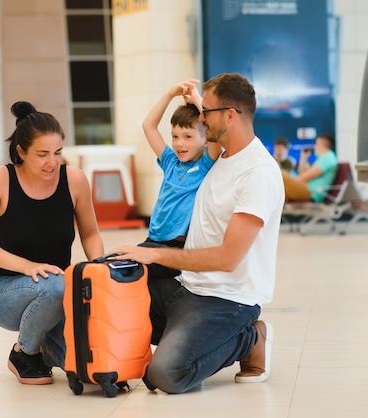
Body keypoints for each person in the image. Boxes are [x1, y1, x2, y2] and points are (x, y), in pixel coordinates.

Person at [108, 73, 285, 394]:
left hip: (228, 300)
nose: (200, 116)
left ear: (230, 115)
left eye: (207, 111)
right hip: (187, 288)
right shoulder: (220, 155)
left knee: (165, 375)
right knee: (110, 289)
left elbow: (229, 258)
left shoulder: (257, 173)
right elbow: (192, 126)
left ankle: (249, 338)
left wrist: (156, 254)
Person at [0, 101, 104, 385]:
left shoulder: (74, 180)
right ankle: (24, 353)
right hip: (5, 292)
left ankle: (46, 347)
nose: (52, 162)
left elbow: (90, 233)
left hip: (59, 294)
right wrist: (28, 267)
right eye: (42, 154)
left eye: (58, 153)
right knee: (54, 282)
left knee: (92, 370)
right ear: (21, 152)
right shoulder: (0, 178)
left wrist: (98, 270)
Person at [139, 79, 221, 287]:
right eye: (175, 136)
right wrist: (170, 93)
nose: (179, 143)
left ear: (205, 139)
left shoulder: (205, 165)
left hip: (178, 249)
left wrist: (195, 98)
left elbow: (216, 125)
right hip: (153, 240)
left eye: (187, 136)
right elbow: (148, 126)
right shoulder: (170, 163)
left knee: (132, 269)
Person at [281, 133, 337, 202]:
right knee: (282, 188)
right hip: (307, 188)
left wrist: (292, 182)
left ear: (322, 144)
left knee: (281, 173)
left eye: (316, 143)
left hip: (312, 192)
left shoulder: (328, 157)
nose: (315, 146)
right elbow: (302, 173)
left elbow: (303, 178)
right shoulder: (323, 158)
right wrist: (303, 158)